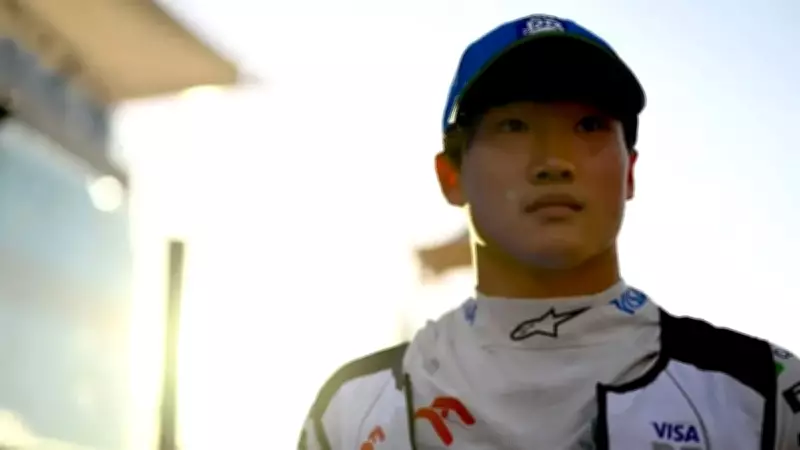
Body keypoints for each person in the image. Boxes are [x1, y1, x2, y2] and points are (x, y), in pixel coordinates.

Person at [297, 13, 800, 450]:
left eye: (589, 126)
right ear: (451, 177)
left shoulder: (761, 393)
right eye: (513, 126)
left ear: (629, 174)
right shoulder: (352, 407)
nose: (554, 161)